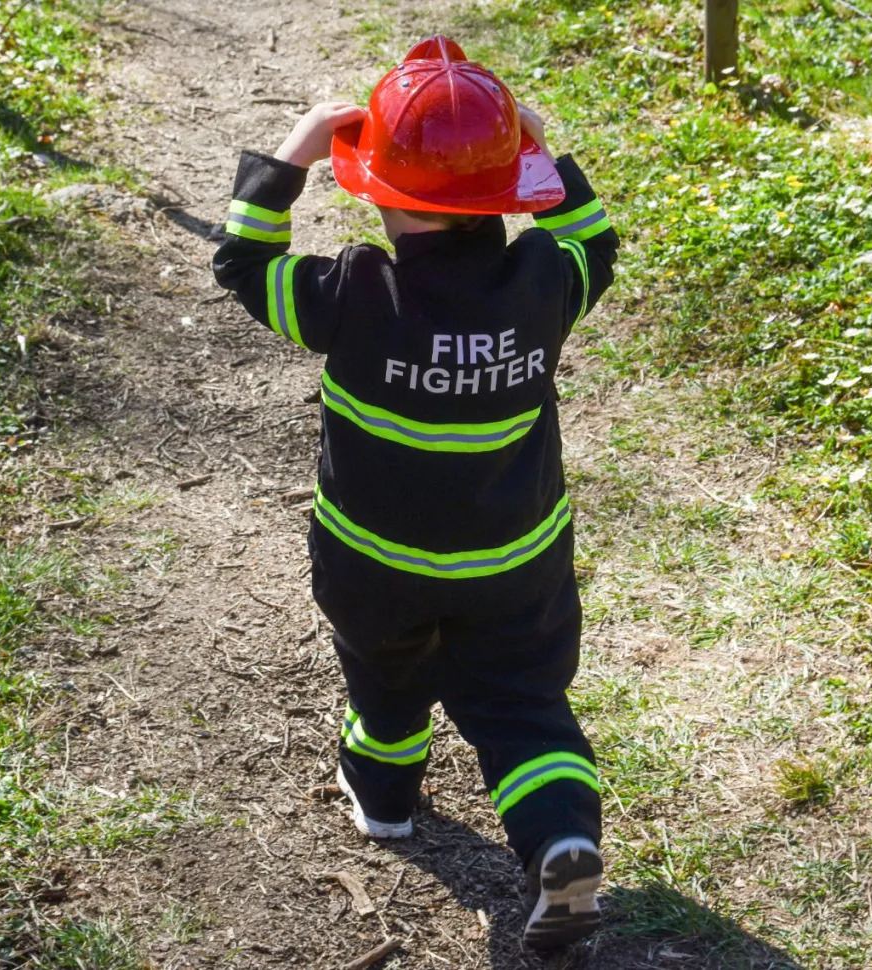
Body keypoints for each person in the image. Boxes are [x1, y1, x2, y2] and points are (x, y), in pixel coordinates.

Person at [213, 35, 618, 950]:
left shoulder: (351, 292)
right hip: (514, 561)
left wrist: (294, 150)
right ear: (510, 196)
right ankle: (560, 838)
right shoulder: (547, 279)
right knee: (521, 702)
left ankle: (386, 795)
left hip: (375, 563)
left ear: (379, 189)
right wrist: (547, 150)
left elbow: (241, 264)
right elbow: (600, 243)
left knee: (386, 676)